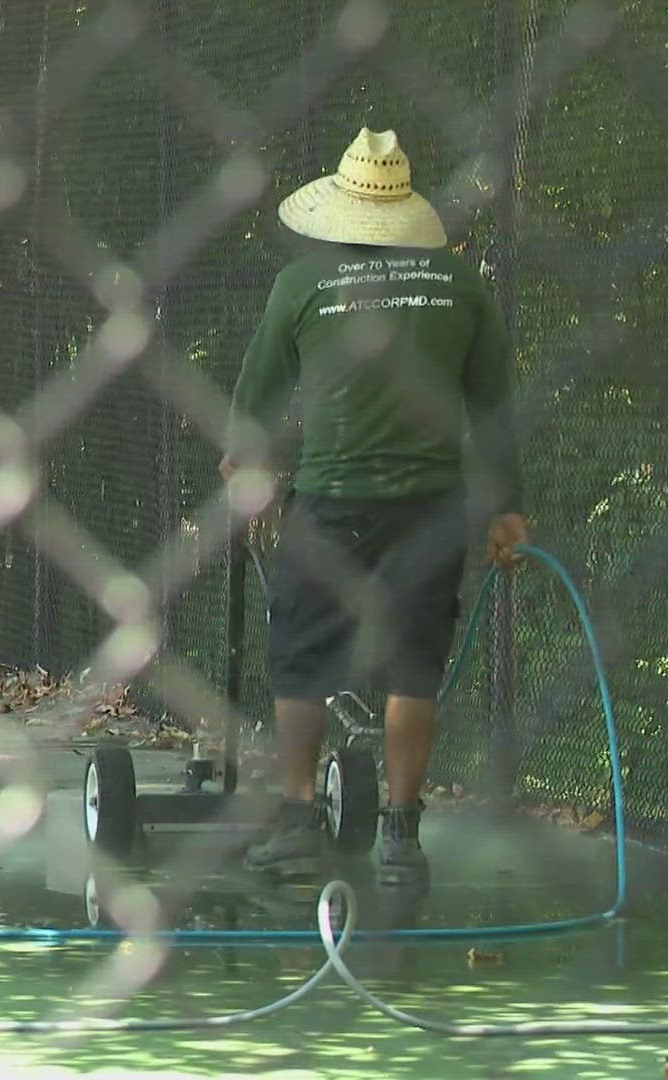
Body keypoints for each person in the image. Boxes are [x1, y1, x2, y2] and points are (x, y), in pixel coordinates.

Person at [220, 127, 529, 888]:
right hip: (429, 507)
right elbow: (493, 409)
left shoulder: (302, 285)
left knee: (301, 662)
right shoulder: (460, 288)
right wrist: (506, 509)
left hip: (329, 503)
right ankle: (401, 837)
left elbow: (256, 406)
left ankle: (297, 827)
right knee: (413, 669)